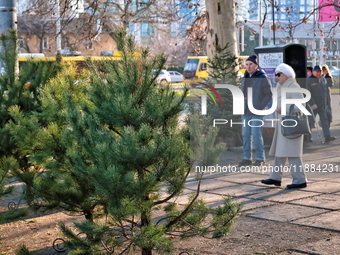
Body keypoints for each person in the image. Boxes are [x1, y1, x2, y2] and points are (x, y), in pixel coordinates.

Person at [261, 63, 307, 189]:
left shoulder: (293, 86)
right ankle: (275, 178)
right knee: (279, 153)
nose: (276, 77)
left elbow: (301, 105)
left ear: (286, 75)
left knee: (293, 155)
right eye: (276, 74)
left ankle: (300, 180)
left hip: (291, 126)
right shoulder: (283, 87)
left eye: (279, 74)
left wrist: (284, 109)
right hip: (284, 126)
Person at [238, 55, 272, 167]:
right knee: (246, 134)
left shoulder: (262, 77)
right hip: (245, 111)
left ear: (256, 65)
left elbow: (269, 94)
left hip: (257, 111)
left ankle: (260, 158)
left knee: (256, 134)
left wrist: (261, 106)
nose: (248, 67)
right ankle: (247, 158)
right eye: (246, 64)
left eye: (250, 64)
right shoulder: (245, 76)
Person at [307, 65, 336, 143]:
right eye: (316, 72)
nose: (318, 73)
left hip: (322, 105)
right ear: (313, 72)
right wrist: (312, 103)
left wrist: (327, 103)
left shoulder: (323, 79)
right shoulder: (309, 80)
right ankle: (307, 137)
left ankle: (327, 136)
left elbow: (325, 92)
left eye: (319, 72)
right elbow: (307, 94)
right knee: (310, 122)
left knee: (325, 121)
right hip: (313, 106)